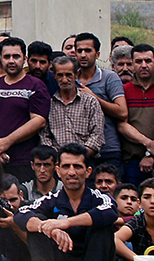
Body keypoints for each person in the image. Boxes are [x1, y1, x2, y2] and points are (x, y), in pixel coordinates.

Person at [16, 143, 118, 261]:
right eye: (66, 166)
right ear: (58, 171)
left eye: (77, 166)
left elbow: (111, 210)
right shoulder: (51, 199)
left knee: (103, 224)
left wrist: (64, 223)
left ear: (88, 171)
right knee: (37, 224)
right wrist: (50, 229)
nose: (72, 172)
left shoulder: (99, 198)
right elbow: (22, 214)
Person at [0, 37, 50, 183]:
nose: (11, 61)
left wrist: (7, 142)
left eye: (16, 56)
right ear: (0, 59)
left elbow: (39, 120)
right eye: (7, 57)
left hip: (22, 161)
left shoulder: (35, 86)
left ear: (24, 59)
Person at [75, 32, 127, 171]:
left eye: (88, 50)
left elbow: (122, 112)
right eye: (80, 51)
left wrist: (94, 97)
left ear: (97, 54)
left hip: (108, 149)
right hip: (80, 150)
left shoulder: (109, 78)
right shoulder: (70, 79)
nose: (83, 55)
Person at [40, 55, 104, 155]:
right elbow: (45, 136)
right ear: (54, 75)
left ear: (76, 74)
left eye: (68, 75)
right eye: (60, 75)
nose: (64, 80)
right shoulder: (49, 104)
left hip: (85, 160)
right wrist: (58, 157)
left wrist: (80, 157)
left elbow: (97, 135)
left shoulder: (90, 101)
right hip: (58, 162)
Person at [116, 43, 154, 187]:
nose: (143, 65)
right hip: (132, 161)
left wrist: (150, 155)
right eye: (138, 61)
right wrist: (148, 144)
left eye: (148, 61)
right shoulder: (123, 90)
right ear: (132, 64)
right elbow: (122, 124)